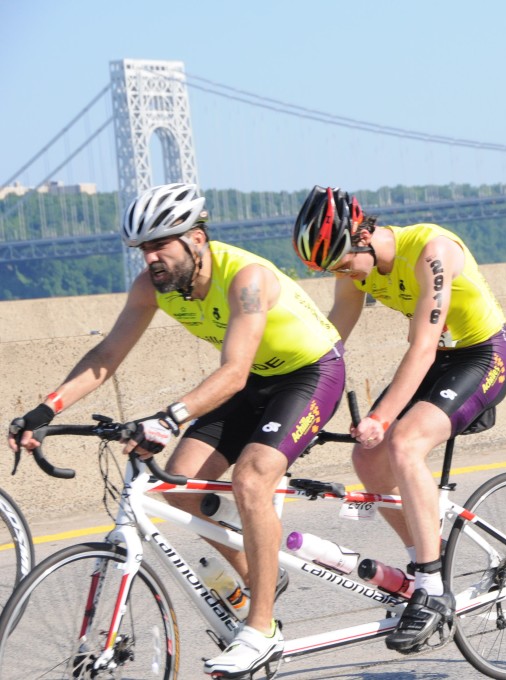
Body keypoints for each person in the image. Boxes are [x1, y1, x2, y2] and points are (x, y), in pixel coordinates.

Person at [8, 183, 346, 678]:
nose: (151, 258)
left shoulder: (245, 278)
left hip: (309, 375)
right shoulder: (152, 288)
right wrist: (44, 410)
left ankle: (262, 628)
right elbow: (106, 357)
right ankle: (260, 574)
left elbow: (232, 372)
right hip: (252, 382)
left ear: (197, 239)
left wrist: (169, 418)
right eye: (144, 248)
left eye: (161, 244)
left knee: (252, 478)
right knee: (178, 483)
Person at [292, 186, 506, 653]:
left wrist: (381, 415)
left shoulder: (431, 251)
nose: (342, 274)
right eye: (331, 270)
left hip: (480, 355)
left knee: (403, 444)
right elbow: (330, 340)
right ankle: (421, 561)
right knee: (369, 461)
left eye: (344, 264)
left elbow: (423, 346)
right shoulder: (354, 267)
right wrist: (300, 403)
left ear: (364, 236)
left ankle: (432, 590)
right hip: (438, 361)